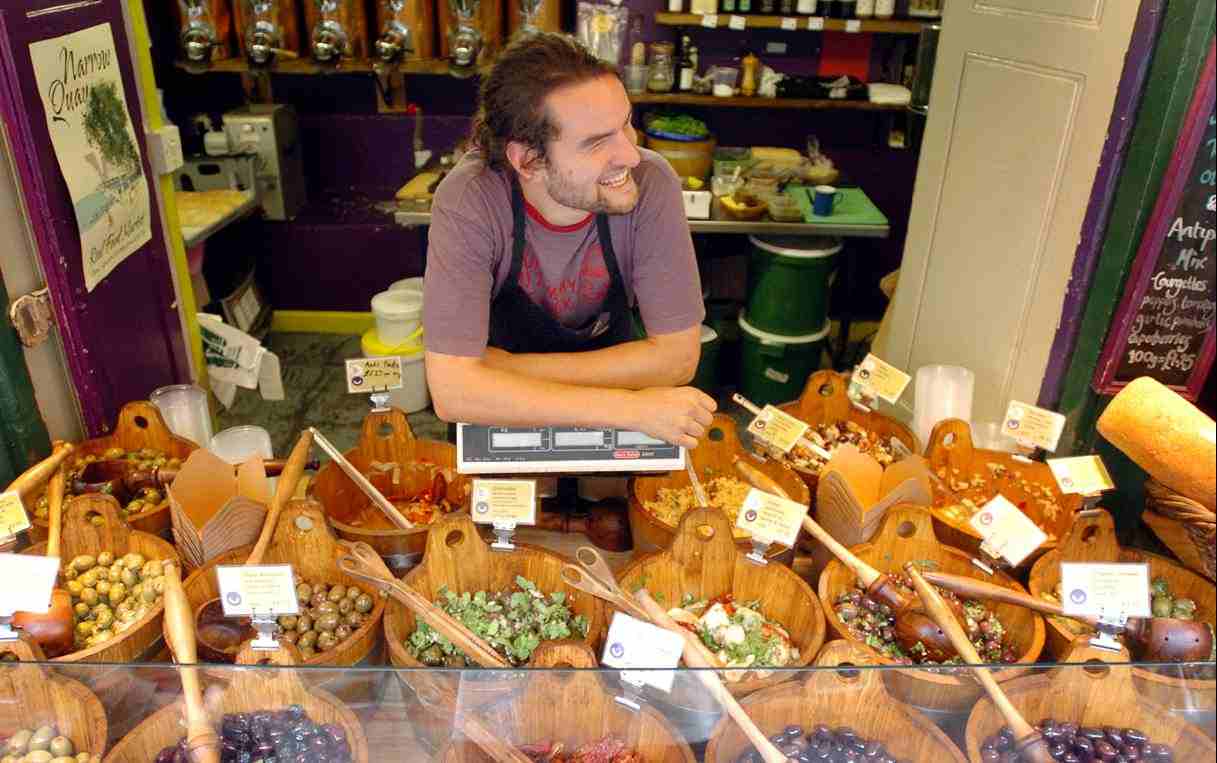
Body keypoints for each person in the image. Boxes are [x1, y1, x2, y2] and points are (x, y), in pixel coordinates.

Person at [422, 33, 716, 448]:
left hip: (509, 397)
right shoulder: (471, 197)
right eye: (597, 142)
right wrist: (632, 409)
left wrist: (500, 371)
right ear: (527, 161)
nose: (631, 155)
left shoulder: (652, 182)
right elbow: (453, 394)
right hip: (510, 425)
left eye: (626, 123)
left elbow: (679, 358)